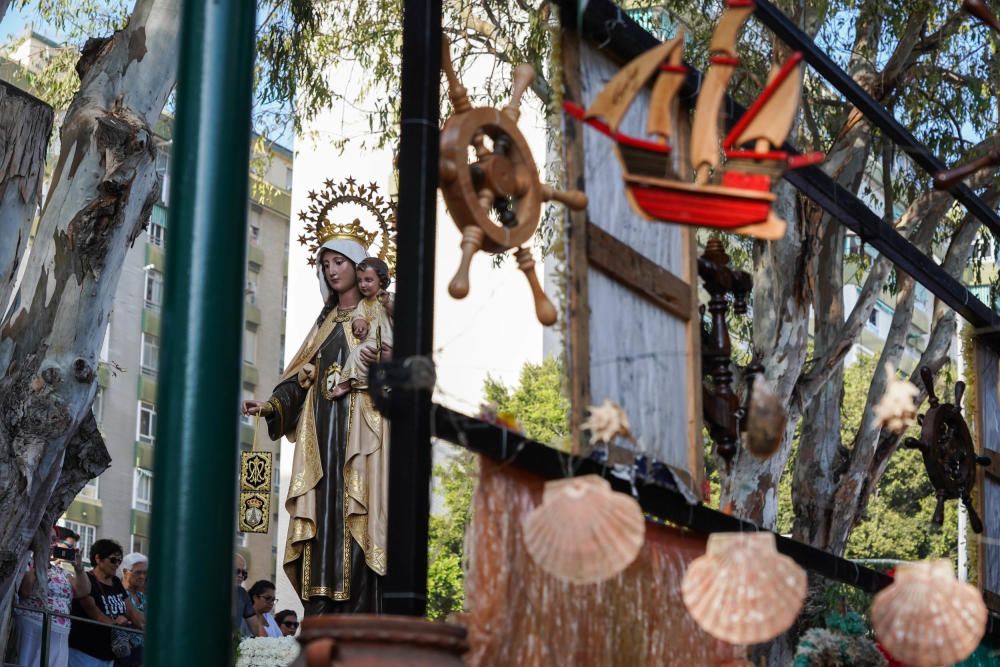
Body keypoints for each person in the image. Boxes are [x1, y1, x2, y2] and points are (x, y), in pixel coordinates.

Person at [243, 221, 391, 615]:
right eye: (325, 263)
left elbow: (399, 372)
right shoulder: (324, 325)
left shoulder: (377, 317)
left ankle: (360, 613)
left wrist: (381, 366)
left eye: (339, 261)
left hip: (363, 435)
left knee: (358, 512)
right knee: (324, 517)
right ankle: (322, 609)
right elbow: (297, 378)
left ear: (359, 268)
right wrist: (272, 406)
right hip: (321, 436)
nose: (331, 270)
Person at [15, 526, 90, 667]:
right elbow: (25, 591)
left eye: (55, 539)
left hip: (61, 631)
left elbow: (83, 591)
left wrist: (79, 569)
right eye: (49, 539)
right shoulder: (27, 563)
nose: (53, 543)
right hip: (34, 628)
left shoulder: (60, 571)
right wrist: (40, 559)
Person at [68, 540, 144, 667]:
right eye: (113, 560)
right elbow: (94, 613)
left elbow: (132, 612)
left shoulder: (116, 582)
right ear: (98, 559)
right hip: (85, 652)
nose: (117, 565)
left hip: (109, 655)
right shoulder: (86, 580)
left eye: (119, 561)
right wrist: (116, 624)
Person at [115, 554, 146, 667]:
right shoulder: (118, 594)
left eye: (144, 573)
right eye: (138, 572)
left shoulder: (142, 596)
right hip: (125, 655)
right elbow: (140, 621)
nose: (142, 576)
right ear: (125, 571)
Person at [231, 554, 260, 639]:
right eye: (237, 571)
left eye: (244, 573)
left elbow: (255, 628)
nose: (241, 575)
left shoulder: (242, 593)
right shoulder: (210, 592)